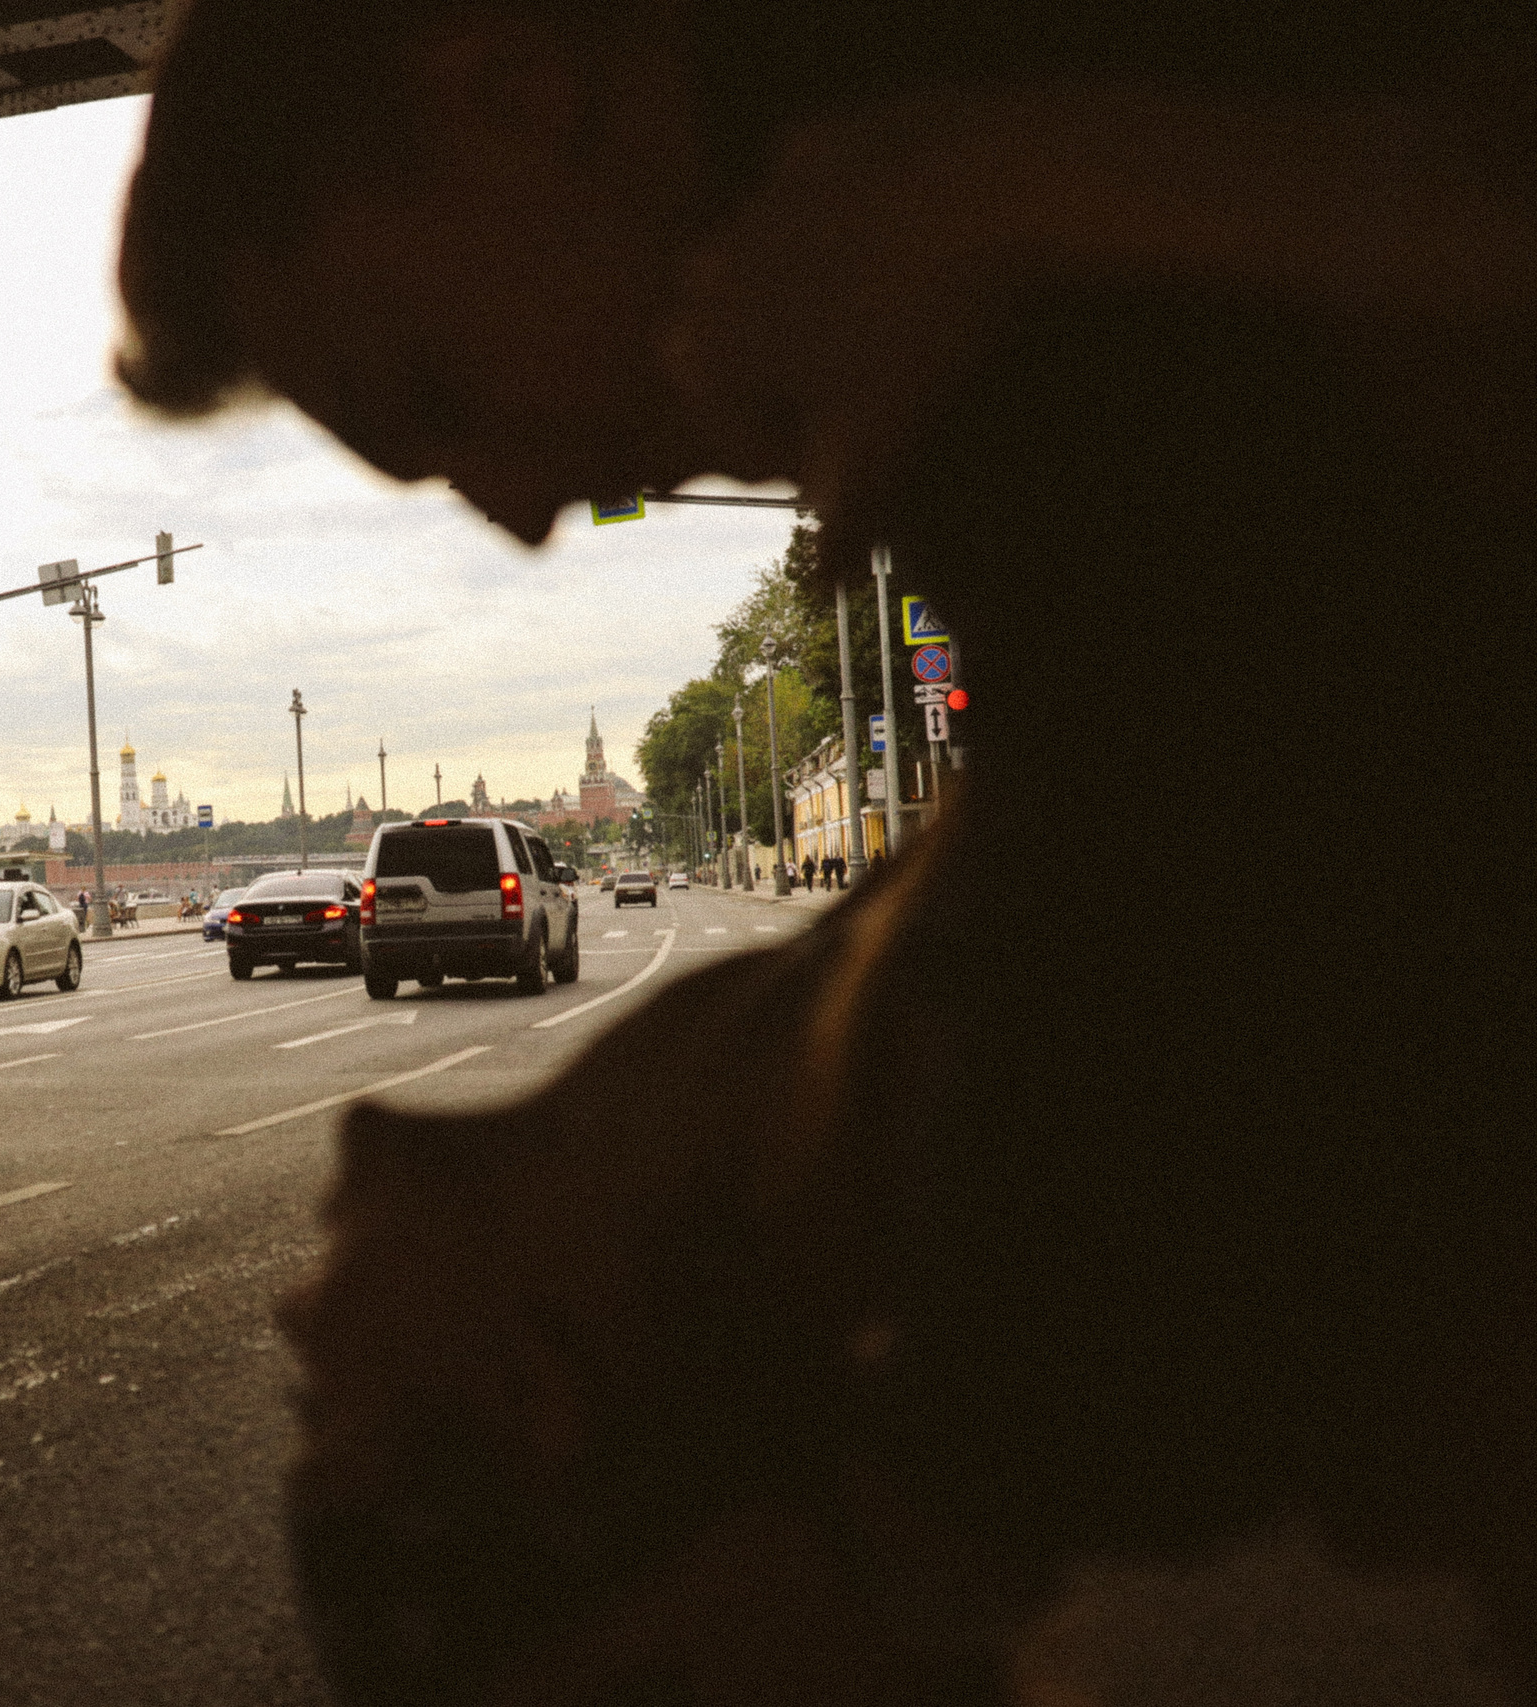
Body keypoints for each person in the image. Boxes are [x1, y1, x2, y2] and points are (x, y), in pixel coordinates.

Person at [120, 4, 1537, 1704]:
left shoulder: (963, 262)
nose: (515, 509)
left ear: (514, 89)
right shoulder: (988, 273)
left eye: (436, 392)